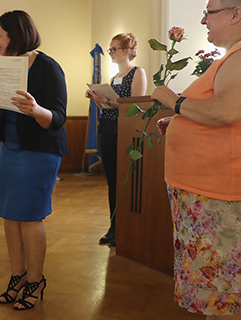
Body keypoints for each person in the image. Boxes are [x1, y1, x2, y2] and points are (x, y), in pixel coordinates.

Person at [151, 0, 241, 319]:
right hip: (223, 183)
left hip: (226, 187)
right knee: (223, 285)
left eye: (209, 12)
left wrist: (175, 102)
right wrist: (184, 122)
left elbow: (227, 111)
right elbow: (240, 114)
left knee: (225, 288)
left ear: (236, 13)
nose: (203, 20)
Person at [0, 10, 68, 311]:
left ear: (16, 34)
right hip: (10, 150)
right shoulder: (2, 66)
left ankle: (36, 280)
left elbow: (58, 118)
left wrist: (36, 109)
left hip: (39, 153)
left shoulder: (48, 67)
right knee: (10, 216)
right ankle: (18, 276)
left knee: (30, 217)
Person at [85, 33, 147, 247]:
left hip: (125, 130)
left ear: (126, 50)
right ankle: (113, 226)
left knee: (124, 181)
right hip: (108, 128)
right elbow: (109, 106)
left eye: (113, 49)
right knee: (112, 181)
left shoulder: (137, 73)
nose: (110, 53)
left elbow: (135, 106)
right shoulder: (114, 78)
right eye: (110, 49)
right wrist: (98, 99)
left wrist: (108, 100)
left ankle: (125, 227)